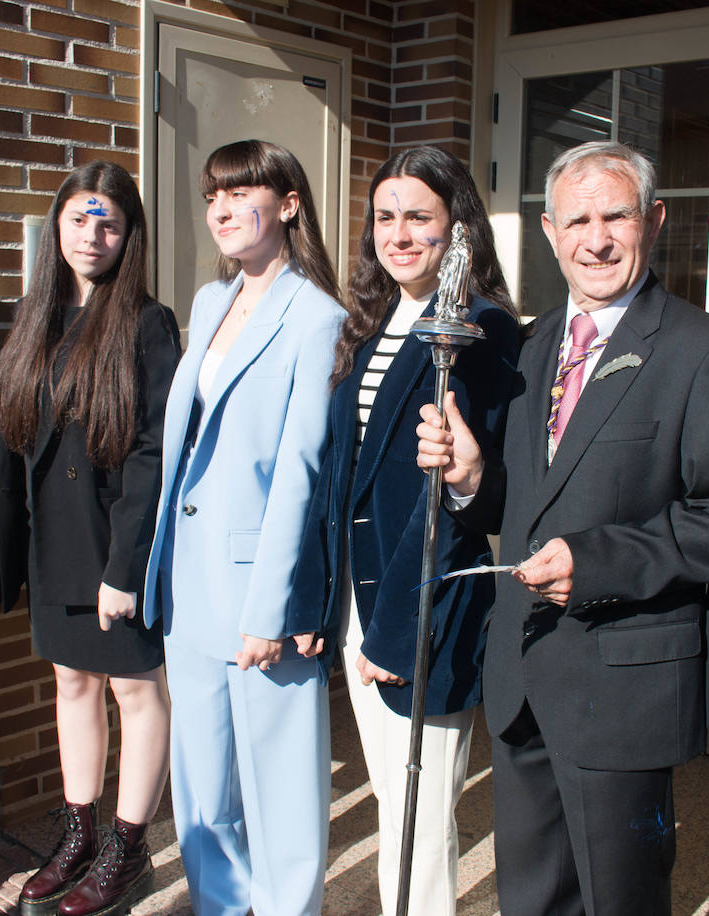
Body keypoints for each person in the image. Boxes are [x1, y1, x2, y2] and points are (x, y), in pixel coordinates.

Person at [416, 140, 709, 915]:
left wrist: (594, 563)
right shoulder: (531, 347)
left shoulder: (706, 352)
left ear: (654, 221)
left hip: (622, 687)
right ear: (549, 230)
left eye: (615, 216)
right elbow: (529, 505)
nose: (596, 239)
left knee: (618, 901)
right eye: (577, 220)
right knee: (529, 898)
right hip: (524, 676)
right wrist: (472, 480)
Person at [290, 145, 519, 915]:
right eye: (385, 217)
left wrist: (395, 632)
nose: (398, 234)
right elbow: (340, 476)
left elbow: (457, 503)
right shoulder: (376, 320)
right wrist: (323, 601)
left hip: (418, 607)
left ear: (458, 226)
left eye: (418, 216)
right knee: (393, 794)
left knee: (421, 811)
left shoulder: (480, 329)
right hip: (361, 597)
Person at [141, 139, 345, 916]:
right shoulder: (208, 300)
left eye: (240, 192)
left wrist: (269, 610)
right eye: (211, 196)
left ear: (288, 203)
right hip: (188, 582)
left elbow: (300, 470)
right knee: (201, 786)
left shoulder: (317, 316)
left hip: (259, 588)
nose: (221, 209)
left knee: (282, 787)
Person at [0, 161, 179, 916]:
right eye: (79, 220)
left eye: (109, 223)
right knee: (71, 683)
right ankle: (79, 834)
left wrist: (124, 567)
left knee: (135, 687)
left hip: (112, 543)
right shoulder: (36, 317)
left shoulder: (146, 322)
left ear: (129, 235)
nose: (92, 235)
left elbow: (153, 453)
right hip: (53, 540)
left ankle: (129, 849)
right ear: (55, 229)